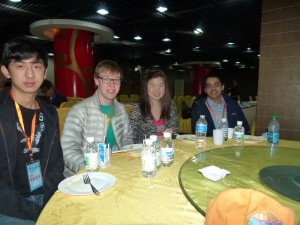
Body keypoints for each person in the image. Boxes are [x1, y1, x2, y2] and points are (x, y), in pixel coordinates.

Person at [0, 36, 64, 224]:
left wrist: (47, 203)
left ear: (45, 72)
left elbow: (56, 165)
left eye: (36, 66)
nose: (30, 74)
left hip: (45, 196)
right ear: (6, 70)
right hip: (8, 205)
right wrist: (35, 212)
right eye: (20, 66)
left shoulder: (50, 113)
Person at [61, 60, 133, 177]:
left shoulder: (121, 110)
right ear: (96, 80)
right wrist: (90, 167)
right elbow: (68, 150)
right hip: (84, 175)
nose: (112, 84)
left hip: (113, 169)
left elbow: (127, 138)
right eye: (106, 79)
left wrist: (124, 160)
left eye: (116, 79)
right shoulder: (79, 110)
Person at [130, 69, 179, 144]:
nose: (157, 89)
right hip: (146, 152)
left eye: (161, 85)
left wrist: (171, 134)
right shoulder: (137, 108)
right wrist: (153, 140)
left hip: (166, 150)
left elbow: (176, 133)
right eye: (152, 85)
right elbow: (132, 139)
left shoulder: (171, 105)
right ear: (146, 87)